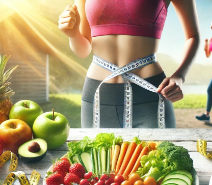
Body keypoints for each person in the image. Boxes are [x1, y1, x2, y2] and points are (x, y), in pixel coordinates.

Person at [58, 0, 200, 128]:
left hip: (149, 95)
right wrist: (73, 34)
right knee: (96, 157)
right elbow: (83, 51)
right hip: (98, 95)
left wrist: (179, 76)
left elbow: (192, 36)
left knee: (159, 156)